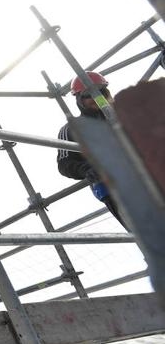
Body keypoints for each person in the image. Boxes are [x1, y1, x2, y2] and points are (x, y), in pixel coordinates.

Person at [56, 71, 128, 230]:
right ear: (79, 99)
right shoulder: (72, 129)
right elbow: (64, 164)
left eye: (100, 91)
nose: (96, 97)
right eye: (88, 94)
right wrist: (87, 169)